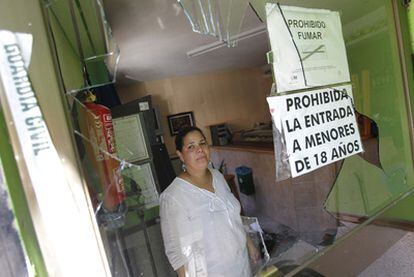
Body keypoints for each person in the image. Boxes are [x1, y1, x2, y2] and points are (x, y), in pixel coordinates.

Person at [160, 126, 259, 277]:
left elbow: (233, 218)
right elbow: (176, 253)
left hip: (241, 264)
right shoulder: (173, 197)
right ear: (180, 155)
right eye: (191, 146)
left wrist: (249, 244)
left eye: (202, 143)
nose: (199, 149)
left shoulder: (217, 176)